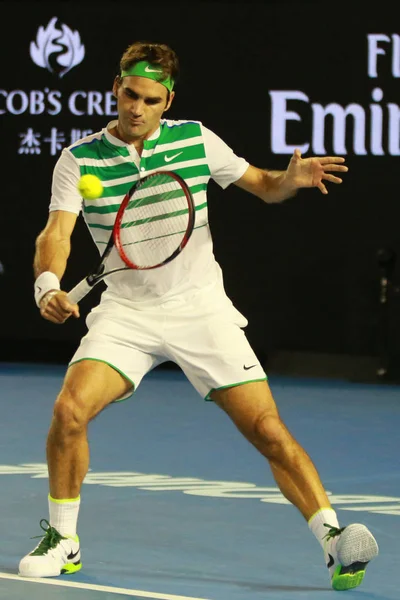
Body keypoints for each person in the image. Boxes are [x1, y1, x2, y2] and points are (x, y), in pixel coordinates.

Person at [19, 41, 378, 590]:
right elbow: (57, 234)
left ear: (168, 102)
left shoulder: (195, 139)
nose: (137, 108)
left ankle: (334, 541)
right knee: (69, 410)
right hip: (126, 312)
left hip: (199, 308)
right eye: (130, 95)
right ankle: (63, 539)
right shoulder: (79, 158)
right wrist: (48, 283)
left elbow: (260, 183)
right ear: (116, 88)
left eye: (151, 99)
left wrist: (289, 181)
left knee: (266, 428)